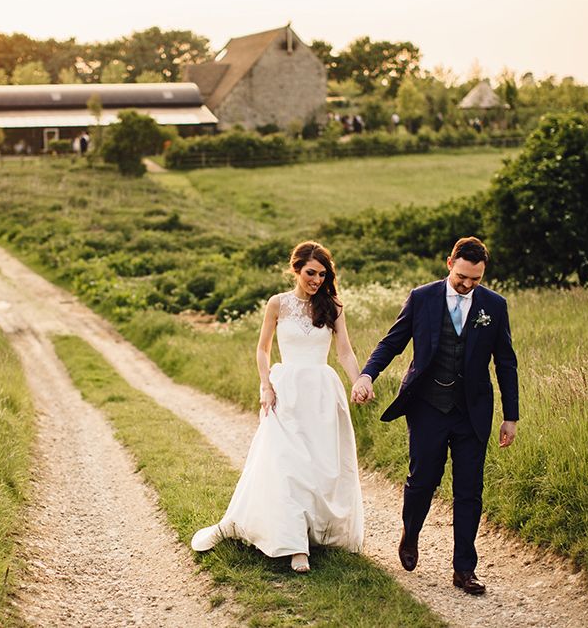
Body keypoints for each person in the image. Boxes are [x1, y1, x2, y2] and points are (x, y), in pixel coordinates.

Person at [351, 237, 518, 595]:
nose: (468, 285)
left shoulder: (494, 306)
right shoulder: (422, 297)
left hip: (472, 412)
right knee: (422, 479)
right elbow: (391, 342)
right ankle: (410, 534)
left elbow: (506, 362)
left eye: (475, 279)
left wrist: (511, 416)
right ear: (449, 264)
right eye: (462, 277)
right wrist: (367, 375)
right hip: (427, 406)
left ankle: (464, 570)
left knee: (470, 490)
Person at [191, 241, 365, 573]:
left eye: (322, 274)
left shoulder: (334, 307)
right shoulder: (278, 304)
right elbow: (262, 349)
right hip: (285, 391)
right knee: (287, 465)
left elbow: (344, 352)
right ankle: (294, 545)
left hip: (321, 393)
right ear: (296, 269)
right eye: (310, 273)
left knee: (319, 466)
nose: (316, 279)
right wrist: (265, 385)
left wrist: (358, 380)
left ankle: (314, 532)